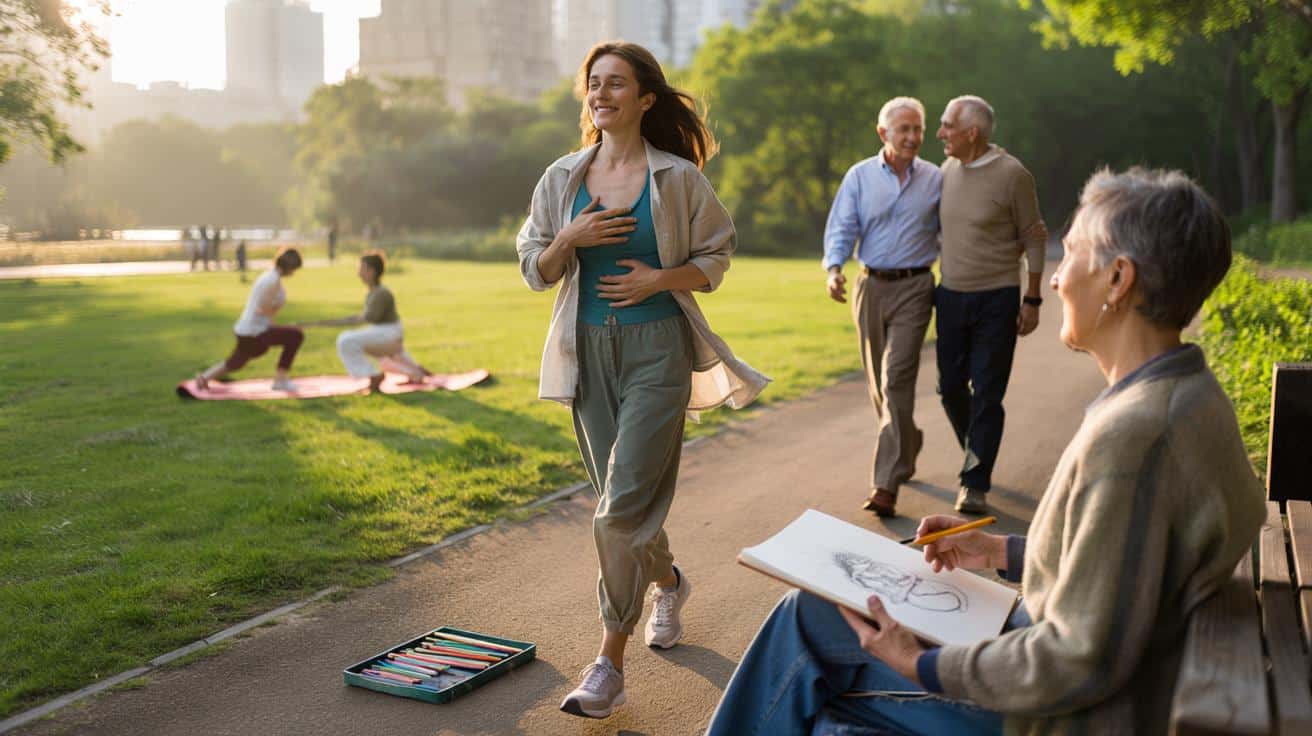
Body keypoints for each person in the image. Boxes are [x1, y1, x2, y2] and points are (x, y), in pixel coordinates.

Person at [705, 167, 1266, 736]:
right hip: (1087, 664)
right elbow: (1121, 561)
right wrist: (997, 550)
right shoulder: (1183, 392)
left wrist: (917, 663)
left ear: (1118, 278)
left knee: (824, 710)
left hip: (1060, 711)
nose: (1053, 280)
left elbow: (1076, 661)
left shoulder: (1135, 437)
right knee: (814, 611)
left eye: (1069, 255)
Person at [516, 41, 768, 720]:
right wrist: (570, 238)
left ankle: (608, 664)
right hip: (587, 355)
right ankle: (669, 582)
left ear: (645, 99)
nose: (601, 94)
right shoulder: (563, 178)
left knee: (618, 509)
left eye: (617, 84)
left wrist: (661, 277)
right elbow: (532, 262)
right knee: (621, 509)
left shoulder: (678, 178)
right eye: (593, 84)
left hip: (659, 352)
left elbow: (717, 252)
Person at [824, 97, 941, 518]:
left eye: (917, 130)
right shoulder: (859, 177)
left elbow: (954, 230)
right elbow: (842, 226)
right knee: (879, 385)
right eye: (903, 129)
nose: (911, 137)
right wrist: (834, 268)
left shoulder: (936, 179)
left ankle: (885, 484)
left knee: (895, 379)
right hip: (870, 286)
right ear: (883, 133)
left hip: (915, 286)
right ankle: (907, 443)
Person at [934, 95, 1048, 515]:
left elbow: (1034, 235)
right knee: (949, 389)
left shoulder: (1013, 175)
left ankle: (974, 482)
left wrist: (1032, 298)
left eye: (947, 125)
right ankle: (976, 449)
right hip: (950, 296)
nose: (940, 133)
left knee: (987, 392)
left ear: (971, 133)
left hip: (997, 298)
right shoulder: (947, 171)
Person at [302, 251, 431, 392]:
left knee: (345, 341)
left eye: (362, 269)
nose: (359, 273)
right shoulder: (374, 291)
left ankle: (373, 375)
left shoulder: (381, 293)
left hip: (389, 333)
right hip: (384, 331)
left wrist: (331, 322)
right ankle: (414, 372)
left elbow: (369, 317)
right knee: (384, 361)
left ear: (372, 271)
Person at [194, 247, 305, 392]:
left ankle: (204, 378)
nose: (293, 273)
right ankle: (280, 380)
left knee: (236, 361)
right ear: (289, 267)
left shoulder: (269, 276)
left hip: (246, 330)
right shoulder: (272, 281)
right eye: (294, 269)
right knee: (296, 335)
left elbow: (262, 309)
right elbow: (261, 309)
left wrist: (274, 323)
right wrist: (275, 315)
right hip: (255, 332)